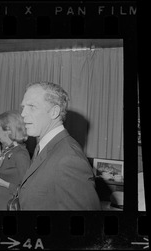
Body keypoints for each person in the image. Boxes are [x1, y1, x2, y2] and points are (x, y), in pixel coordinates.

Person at [18, 81, 101, 210]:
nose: (23, 114)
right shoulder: (45, 146)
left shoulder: (69, 159)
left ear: (54, 112)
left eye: (32, 106)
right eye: (23, 107)